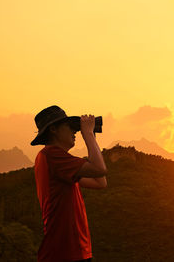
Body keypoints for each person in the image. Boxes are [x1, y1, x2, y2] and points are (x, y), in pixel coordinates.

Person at [31, 105, 108, 262]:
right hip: (64, 252)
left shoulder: (59, 162)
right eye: (70, 126)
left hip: (74, 251)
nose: (75, 131)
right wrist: (87, 134)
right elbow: (99, 169)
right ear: (53, 129)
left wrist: (91, 137)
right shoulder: (52, 155)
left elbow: (100, 182)